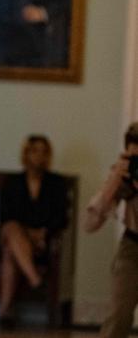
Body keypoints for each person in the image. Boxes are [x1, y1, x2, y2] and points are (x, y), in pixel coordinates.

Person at [0, 134, 68, 323]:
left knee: (9, 252)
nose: (39, 156)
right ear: (26, 153)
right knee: (11, 230)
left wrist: (43, 233)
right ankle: (35, 279)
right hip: (16, 234)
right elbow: (5, 217)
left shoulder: (56, 184)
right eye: (35, 151)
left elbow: (61, 217)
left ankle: (5, 311)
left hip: (42, 241)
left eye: (44, 152)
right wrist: (29, 233)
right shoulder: (12, 182)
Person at [84, 122, 138, 338]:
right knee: (119, 317)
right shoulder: (125, 176)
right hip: (133, 247)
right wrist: (117, 177)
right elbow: (90, 224)